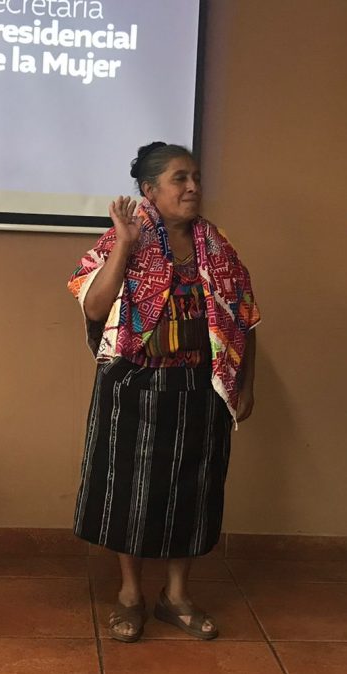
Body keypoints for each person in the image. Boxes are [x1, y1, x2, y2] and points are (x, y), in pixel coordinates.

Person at [67, 142, 260, 642]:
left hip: (202, 385)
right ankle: (130, 594)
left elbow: (245, 316)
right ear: (149, 190)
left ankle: (176, 596)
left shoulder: (215, 245)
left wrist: (246, 382)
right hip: (135, 385)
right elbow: (94, 309)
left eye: (195, 176)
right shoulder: (123, 239)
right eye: (180, 178)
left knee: (193, 493)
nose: (193, 186)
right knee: (127, 492)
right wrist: (126, 245)